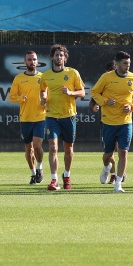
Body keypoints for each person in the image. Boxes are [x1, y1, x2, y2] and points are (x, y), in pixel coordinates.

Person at [91, 51, 133, 193]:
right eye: (125, 63)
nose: (127, 66)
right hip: (108, 122)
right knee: (108, 154)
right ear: (117, 64)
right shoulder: (106, 77)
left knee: (123, 152)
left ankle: (118, 184)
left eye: (129, 64)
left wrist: (132, 106)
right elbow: (94, 92)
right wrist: (105, 101)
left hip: (126, 122)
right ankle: (107, 167)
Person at [40, 44, 86, 191]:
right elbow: (43, 91)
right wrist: (43, 98)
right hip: (52, 116)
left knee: (68, 149)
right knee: (53, 147)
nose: (59, 57)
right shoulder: (46, 75)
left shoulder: (73, 73)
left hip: (69, 116)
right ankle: (54, 180)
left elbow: (82, 92)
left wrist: (71, 93)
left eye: (61, 55)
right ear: (52, 57)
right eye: (56, 55)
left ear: (65, 58)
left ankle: (66, 176)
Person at [9, 51, 47, 185]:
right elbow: (11, 97)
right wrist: (20, 98)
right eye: (29, 60)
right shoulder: (19, 78)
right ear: (25, 62)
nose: (32, 62)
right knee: (28, 149)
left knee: (37, 146)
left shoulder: (43, 77)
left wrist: (45, 101)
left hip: (40, 117)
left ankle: (39, 167)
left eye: (34, 59)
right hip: (25, 118)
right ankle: (32, 173)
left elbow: (48, 96)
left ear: (38, 61)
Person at [90, 60, 119, 184]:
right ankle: (111, 172)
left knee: (122, 150)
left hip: (122, 122)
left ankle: (120, 173)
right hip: (106, 122)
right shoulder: (103, 84)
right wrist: (94, 107)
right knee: (109, 151)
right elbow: (92, 103)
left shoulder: (123, 84)